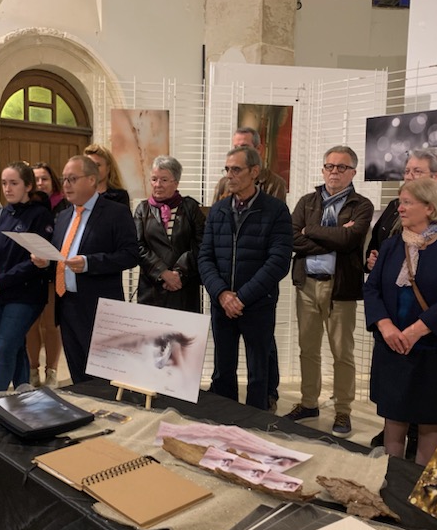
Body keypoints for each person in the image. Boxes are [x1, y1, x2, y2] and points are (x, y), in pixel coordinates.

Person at [363, 178, 437, 465]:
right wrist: (385, 326)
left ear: (430, 207)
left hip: (432, 351)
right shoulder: (390, 245)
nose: (400, 208)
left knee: (429, 423)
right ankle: (390, 480)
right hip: (392, 347)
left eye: (408, 202)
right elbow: (372, 288)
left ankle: (419, 488)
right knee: (394, 419)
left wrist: (415, 331)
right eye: (401, 201)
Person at [284, 145, 374, 437]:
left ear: (353, 172)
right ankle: (309, 403)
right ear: (323, 170)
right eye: (329, 166)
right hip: (308, 285)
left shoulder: (362, 205)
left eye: (341, 167)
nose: (334, 172)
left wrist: (311, 231)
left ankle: (343, 411)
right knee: (307, 349)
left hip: (340, 289)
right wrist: (333, 236)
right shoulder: (307, 201)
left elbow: (350, 240)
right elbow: (292, 239)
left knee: (342, 353)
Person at [198, 146, 292, 410]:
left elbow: (278, 262)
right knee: (223, 369)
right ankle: (225, 418)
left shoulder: (275, 211)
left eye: (236, 169)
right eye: (227, 169)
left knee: (259, 372)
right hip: (222, 305)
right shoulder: (217, 211)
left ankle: (256, 425)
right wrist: (222, 294)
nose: (230, 175)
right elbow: (205, 257)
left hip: (257, 304)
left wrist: (242, 297)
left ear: (254, 172)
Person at [31, 155, 138, 384]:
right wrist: (46, 263)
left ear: (92, 179)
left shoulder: (115, 213)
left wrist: (90, 263)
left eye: (72, 179)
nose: (66, 185)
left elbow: (130, 255)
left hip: (99, 306)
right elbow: (60, 258)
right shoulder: (63, 216)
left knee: (103, 377)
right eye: (64, 179)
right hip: (67, 303)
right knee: (78, 373)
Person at [0, 162, 53, 393]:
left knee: (3, 349)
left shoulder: (40, 215)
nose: (7, 188)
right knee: (16, 344)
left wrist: (1, 281)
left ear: (28, 185)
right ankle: (23, 390)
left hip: (26, 294)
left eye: (14, 183)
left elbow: (34, 262)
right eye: (4, 183)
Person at [365, 147, 437, 271]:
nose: (409, 177)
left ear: (436, 176)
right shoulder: (394, 206)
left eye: (417, 172)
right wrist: (372, 261)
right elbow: (375, 244)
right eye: (407, 171)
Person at [133, 155, 205, 312]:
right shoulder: (142, 209)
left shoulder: (190, 207)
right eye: (154, 179)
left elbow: (201, 244)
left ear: (176, 182)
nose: (157, 185)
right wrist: (163, 272)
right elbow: (138, 246)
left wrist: (178, 274)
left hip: (183, 287)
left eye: (164, 180)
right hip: (152, 289)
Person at [25, 162, 67, 388]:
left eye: (45, 179)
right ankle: (33, 371)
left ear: (53, 182)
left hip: (53, 274)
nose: (40, 183)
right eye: (36, 179)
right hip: (30, 274)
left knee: (50, 325)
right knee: (31, 325)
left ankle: (51, 372)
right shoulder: (26, 207)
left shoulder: (64, 207)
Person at [212, 127, 287, 202]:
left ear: (258, 149)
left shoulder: (275, 184)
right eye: (236, 148)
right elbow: (215, 212)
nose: (239, 152)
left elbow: (276, 211)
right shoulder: (224, 183)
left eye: (244, 147)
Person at [84, 143, 130, 208]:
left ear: (108, 168)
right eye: (89, 165)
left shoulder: (119, 196)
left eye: (97, 165)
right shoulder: (80, 195)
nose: (93, 169)